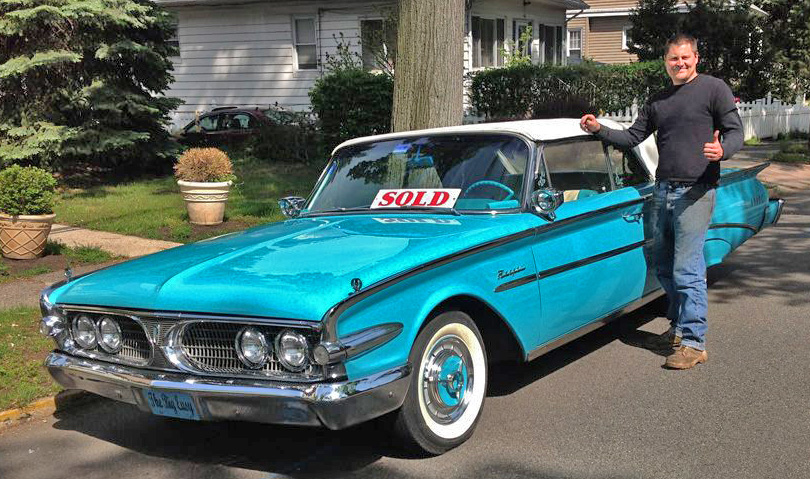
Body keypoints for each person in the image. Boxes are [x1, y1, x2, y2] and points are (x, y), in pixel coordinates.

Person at [579, 33, 744, 370]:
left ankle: (694, 343)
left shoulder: (714, 89)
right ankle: (679, 328)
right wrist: (598, 129)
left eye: (685, 58)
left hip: (697, 190)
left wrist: (722, 150)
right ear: (666, 61)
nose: (679, 63)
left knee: (687, 267)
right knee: (662, 265)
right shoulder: (658, 100)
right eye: (673, 59)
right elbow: (631, 137)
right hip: (664, 189)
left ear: (696, 58)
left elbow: (735, 131)